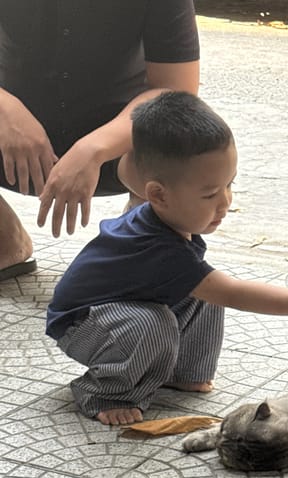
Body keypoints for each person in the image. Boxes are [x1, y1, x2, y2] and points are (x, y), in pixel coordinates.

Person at [46, 91, 288, 426]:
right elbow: (235, 293)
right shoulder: (159, 249)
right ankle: (104, 391)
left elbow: (131, 165)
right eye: (210, 194)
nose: (225, 202)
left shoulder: (166, 217)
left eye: (230, 185)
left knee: (203, 292)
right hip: (80, 323)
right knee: (159, 319)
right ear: (158, 194)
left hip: (120, 306)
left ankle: (186, 371)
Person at [0, 0, 201, 280]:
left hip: (120, 143)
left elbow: (175, 90)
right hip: (13, 141)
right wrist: (5, 108)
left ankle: (144, 246)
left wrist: (94, 148)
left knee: (185, 133)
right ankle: (5, 241)